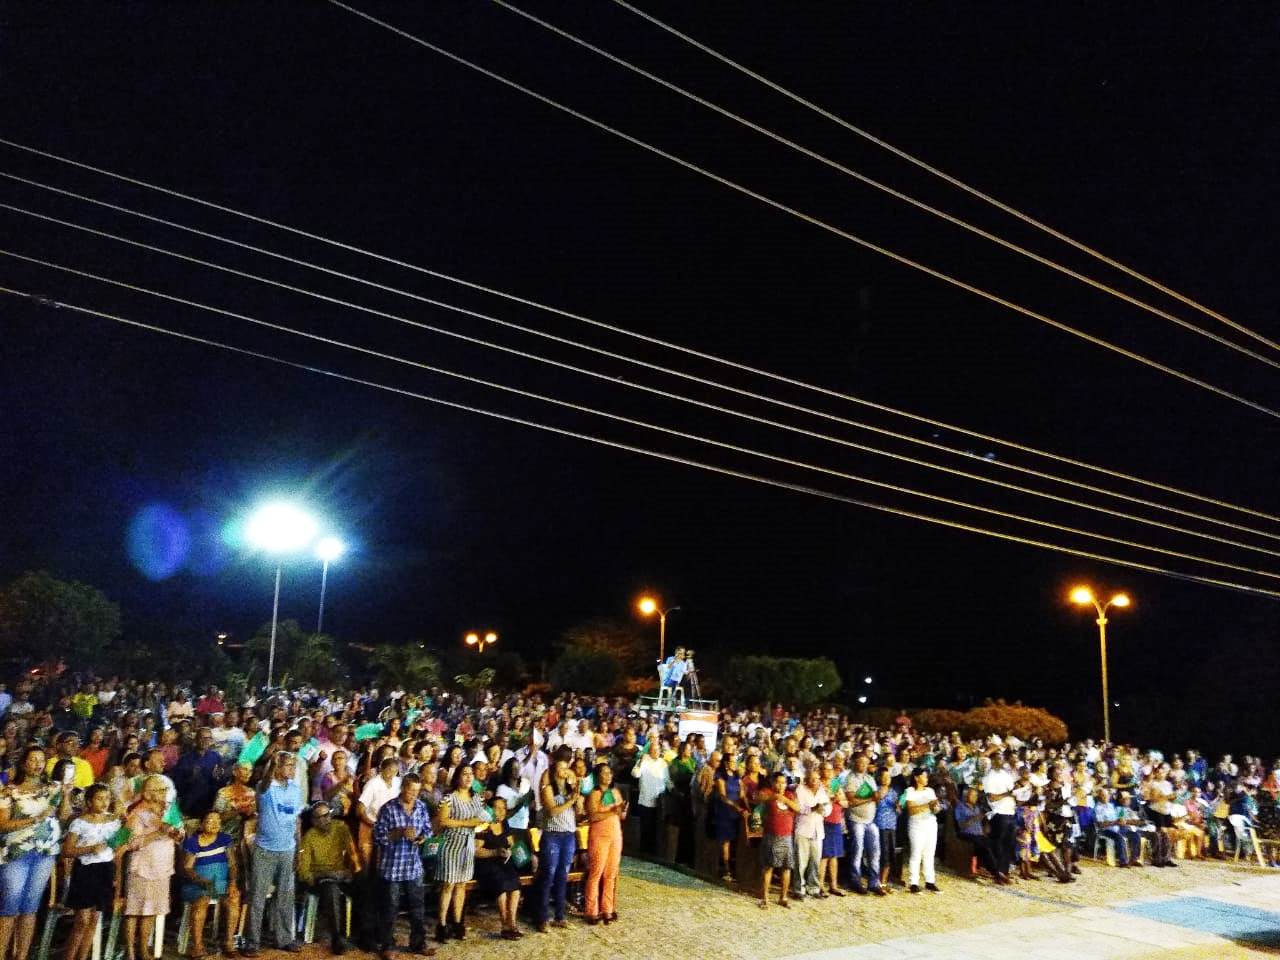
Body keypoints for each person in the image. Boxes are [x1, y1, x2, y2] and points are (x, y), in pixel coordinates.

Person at [0, 746, 69, 960]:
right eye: (32, 760)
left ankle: (21, 955)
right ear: (23, 763)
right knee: (9, 907)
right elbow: (3, 825)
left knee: (30, 907)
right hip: (16, 853)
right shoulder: (9, 791)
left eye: (41, 760)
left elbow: (64, 816)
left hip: (44, 852)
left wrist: (65, 795)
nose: (37, 764)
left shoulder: (52, 789)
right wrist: (34, 820)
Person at [242, 753, 303, 957]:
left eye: (293, 766)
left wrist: (298, 850)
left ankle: (284, 939)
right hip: (265, 850)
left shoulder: (295, 789)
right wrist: (272, 765)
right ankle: (252, 942)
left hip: (288, 849)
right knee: (258, 897)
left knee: (285, 897)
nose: (292, 769)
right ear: (277, 767)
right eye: (288, 765)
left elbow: (296, 821)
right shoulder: (264, 787)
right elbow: (266, 783)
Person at [372, 773, 435, 959]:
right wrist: (398, 833)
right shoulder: (389, 808)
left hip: (413, 865)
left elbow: (428, 830)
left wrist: (423, 838)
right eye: (411, 790)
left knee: (417, 907)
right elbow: (378, 836)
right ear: (403, 788)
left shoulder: (421, 807)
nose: (414, 794)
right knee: (390, 908)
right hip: (392, 866)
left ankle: (418, 943)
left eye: (417, 791)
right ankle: (387, 945)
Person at [123, 775, 182, 960]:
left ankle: (144, 950)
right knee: (134, 911)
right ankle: (131, 953)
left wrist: (176, 833)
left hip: (162, 867)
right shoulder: (136, 814)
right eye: (161, 790)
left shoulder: (169, 811)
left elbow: (180, 835)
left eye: (166, 790)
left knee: (151, 910)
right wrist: (157, 832)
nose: (165, 793)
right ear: (148, 794)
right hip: (142, 868)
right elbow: (130, 843)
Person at [61, 783, 121, 960]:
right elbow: (67, 850)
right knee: (82, 921)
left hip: (105, 869)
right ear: (89, 801)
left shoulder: (114, 822)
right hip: (86, 871)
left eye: (107, 799)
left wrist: (117, 877)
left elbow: (117, 850)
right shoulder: (80, 823)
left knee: (95, 919)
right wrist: (89, 849)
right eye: (99, 798)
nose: (104, 803)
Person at [298, 801, 358, 955]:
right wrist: (326, 875)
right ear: (314, 821)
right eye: (322, 817)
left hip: (340, 874)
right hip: (320, 878)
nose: (327, 819)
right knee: (330, 888)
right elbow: (303, 872)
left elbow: (352, 852)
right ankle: (337, 938)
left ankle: (367, 934)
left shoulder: (340, 827)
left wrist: (351, 870)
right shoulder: (309, 837)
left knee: (366, 882)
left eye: (328, 815)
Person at [435, 765, 487, 943]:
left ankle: (457, 921)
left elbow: (481, 819)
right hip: (451, 843)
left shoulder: (477, 799)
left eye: (471, 774)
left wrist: (480, 822)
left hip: (468, 844)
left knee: (461, 885)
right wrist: (466, 823)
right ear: (457, 777)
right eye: (464, 774)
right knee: (448, 884)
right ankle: (441, 924)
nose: (468, 777)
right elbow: (443, 820)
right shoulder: (449, 798)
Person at [179, 810, 238, 959]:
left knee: (234, 899)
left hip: (219, 884)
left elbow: (232, 865)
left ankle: (229, 942)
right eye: (210, 820)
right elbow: (187, 868)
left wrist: (232, 884)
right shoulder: (193, 841)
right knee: (202, 900)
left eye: (218, 821)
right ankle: (197, 947)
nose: (215, 824)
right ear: (201, 824)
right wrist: (201, 880)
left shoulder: (225, 839)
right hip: (197, 884)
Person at [535, 748, 579, 932]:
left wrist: (575, 792)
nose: (564, 772)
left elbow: (578, 802)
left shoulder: (570, 782)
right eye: (561, 767)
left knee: (563, 876)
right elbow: (552, 811)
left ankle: (560, 916)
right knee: (548, 875)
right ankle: (542, 917)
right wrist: (570, 800)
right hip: (552, 834)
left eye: (567, 767)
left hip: (568, 834)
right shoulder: (548, 783)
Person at [474, 795, 524, 939]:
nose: (501, 811)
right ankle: (504, 925)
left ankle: (512, 923)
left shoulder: (505, 824)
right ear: (490, 809)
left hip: (502, 861)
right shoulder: (484, 825)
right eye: (497, 808)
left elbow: (511, 843)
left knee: (515, 886)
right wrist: (495, 852)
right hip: (486, 863)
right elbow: (476, 851)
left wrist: (510, 850)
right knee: (501, 885)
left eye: (503, 808)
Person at [584, 762, 625, 925]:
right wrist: (611, 811)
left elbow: (620, 814)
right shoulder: (595, 794)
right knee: (596, 873)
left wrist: (622, 810)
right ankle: (591, 910)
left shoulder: (615, 791)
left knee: (611, 873)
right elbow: (593, 816)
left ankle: (607, 908)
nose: (608, 776)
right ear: (598, 776)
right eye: (605, 773)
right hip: (600, 835)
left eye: (610, 773)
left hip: (615, 834)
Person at [756, 772, 798, 910]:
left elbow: (798, 808)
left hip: (787, 836)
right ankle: (764, 898)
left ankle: (783, 897)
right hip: (772, 836)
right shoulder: (767, 792)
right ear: (773, 783)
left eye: (784, 782)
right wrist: (774, 797)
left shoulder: (790, 795)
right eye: (778, 782)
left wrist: (785, 800)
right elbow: (759, 798)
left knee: (787, 867)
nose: (781, 785)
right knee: (768, 867)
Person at [844, 753, 881, 894]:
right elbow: (852, 801)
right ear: (854, 762)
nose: (863, 765)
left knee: (874, 852)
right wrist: (870, 797)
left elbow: (876, 797)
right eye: (860, 762)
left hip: (870, 820)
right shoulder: (850, 778)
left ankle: (874, 882)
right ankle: (855, 881)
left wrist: (873, 797)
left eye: (866, 763)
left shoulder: (870, 778)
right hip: (856, 820)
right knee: (857, 852)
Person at [954, 786, 1007, 883]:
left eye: (976, 796)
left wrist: (986, 825)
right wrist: (976, 817)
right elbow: (961, 826)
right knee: (983, 846)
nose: (975, 798)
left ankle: (998, 872)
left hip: (979, 835)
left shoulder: (977, 808)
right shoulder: (960, 807)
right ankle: (996, 874)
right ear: (966, 795)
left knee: (995, 844)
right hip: (966, 834)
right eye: (972, 795)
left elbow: (982, 822)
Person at [902, 767, 940, 893]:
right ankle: (914, 882)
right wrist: (927, 805)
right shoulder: (910, 791)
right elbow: (911, 810)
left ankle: (930, 881)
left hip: (930, 823)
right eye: (924, 776)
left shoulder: (930, 791)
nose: (926, 779)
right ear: (917, 778)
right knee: (916, 852)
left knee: (929, 853)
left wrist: (935, 807)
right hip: (916, 825)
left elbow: (935, 808)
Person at [793, 767, 829, 899]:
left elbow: (827, 807)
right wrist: (813, 808)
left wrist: (823, 810)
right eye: (812, 779)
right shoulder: (800, 790)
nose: (814, 781)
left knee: (815, 861)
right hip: (803, 829)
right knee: (801, 861)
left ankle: (813, 888)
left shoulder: (822, 791)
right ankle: (799, 889)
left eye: (816, 779)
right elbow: (798, 807)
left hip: (818, 830)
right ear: (807, 779)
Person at [631, 738, 669, 856]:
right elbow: (635, 774)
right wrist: (640, 762)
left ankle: (654, 853)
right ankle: (644, 853)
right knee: (645, 828)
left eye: (658, 750)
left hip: (659, 801)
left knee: (657, 829)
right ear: (649, 751)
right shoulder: (644, 761)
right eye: (653, 750)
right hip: (646, 801)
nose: (656, 752)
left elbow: (667, 780)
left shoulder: (663, 763)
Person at [982, 753, 1017, 878]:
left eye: (1002, 758)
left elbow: (1014, 792)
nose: (1000, 761)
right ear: (992, 760)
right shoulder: (988, 777)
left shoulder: (1006, 775)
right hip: (998, 813)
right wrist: (1008, 794)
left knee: (1009, 844)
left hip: (1010, 811)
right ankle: (997, 871)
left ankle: (1004, 871)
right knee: (998, 843)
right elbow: (991, 797)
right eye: (997, 758)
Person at [710, 754, 742, 881]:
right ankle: (725, 869)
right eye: (733, 761)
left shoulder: (736, 776)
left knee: (733, 842)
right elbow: (723, 796)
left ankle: (731, 868)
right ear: (726, 763)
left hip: (735, 813)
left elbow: (742, 793)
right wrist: (735, 806)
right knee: (725, 842)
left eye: (736, 761)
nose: (735, 764)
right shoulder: (720, 776)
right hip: (725, 812)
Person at [874, 767, 900, 891]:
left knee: (890, 852)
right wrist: (879, 797)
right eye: (884, 777)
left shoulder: (894, 792)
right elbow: (875, 805)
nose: (886, 779)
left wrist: (898, 807)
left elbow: (898, 810)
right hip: (880, 824)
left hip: (892, 825)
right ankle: (878, 880)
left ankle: (884, 880)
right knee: (882, 852)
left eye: (888, 777)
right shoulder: (876, 790)